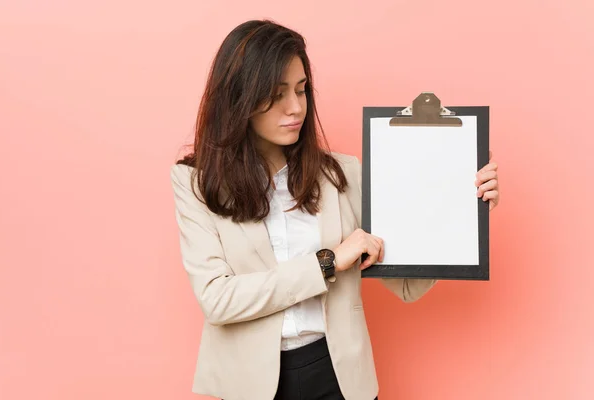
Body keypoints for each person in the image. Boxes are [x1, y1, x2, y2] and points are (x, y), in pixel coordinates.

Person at [170, 19, 500, 400]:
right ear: (239, 98)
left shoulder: (343, 174)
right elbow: (217, 299)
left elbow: (407, 284)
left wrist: (463, 210)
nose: (296, 108)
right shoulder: (195, 182)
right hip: (249, 385)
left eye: (301, 90)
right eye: (277, 95)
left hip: (340, 377)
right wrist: (326, 262)